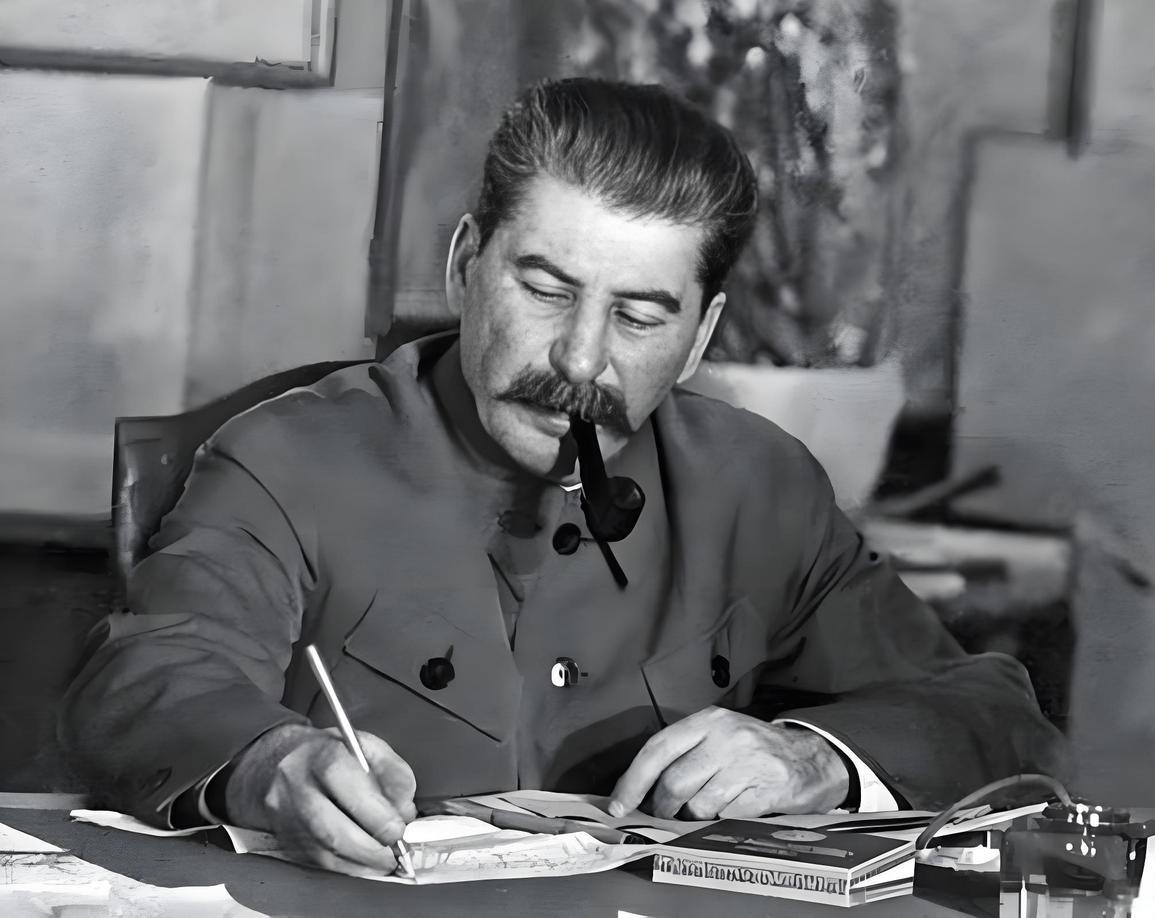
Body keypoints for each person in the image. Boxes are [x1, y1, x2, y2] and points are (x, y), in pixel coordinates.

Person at [60, 77, 1065, 877]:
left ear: (700, 335)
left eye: (638, 317)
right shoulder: (289, 457)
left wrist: (816, 758)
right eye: (545, 290)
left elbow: (990, 712)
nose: (581, 361)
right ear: (466, 265)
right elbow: (155, 672)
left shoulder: (759, 486)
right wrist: (266, 764)